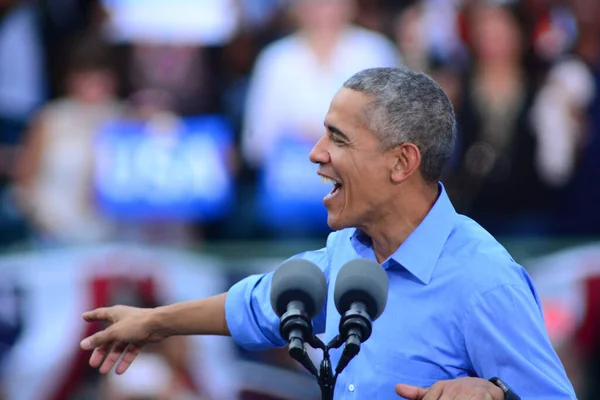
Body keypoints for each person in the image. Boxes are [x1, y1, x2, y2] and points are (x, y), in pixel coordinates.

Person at [79, 67, 576, 399]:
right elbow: (259, 302)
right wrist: (153, 323)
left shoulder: (485, 282)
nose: (316, 153)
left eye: (337, 138)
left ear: (401, 162)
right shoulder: (350, 251)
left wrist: (497, 395)